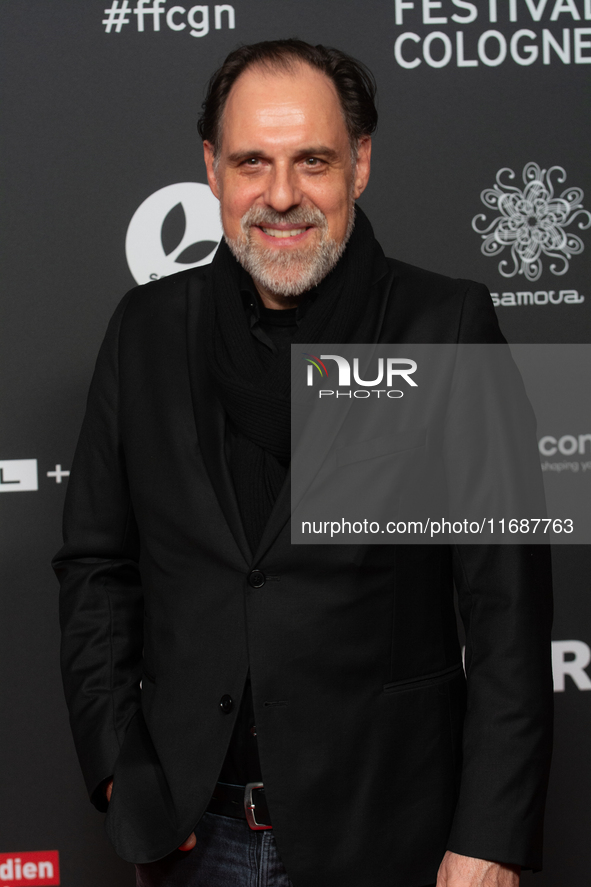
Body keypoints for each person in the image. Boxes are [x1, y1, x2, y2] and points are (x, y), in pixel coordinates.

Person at [53, 39, 553, 887]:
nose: (280, 196)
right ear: (211, 168)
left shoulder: (447, 325)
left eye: (311, 160)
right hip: (188, 837)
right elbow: (96, 565)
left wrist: (492, 837)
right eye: (252, 161)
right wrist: (117, 768)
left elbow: (505, 608)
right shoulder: (143, 328)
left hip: (388, 834)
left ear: (358, 163)